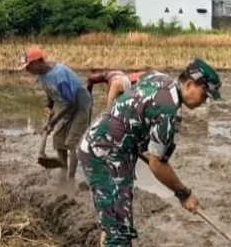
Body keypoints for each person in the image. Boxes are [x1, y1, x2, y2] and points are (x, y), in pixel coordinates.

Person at [77, 58, 221, 247]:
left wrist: (113, 118)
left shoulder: (157, 76)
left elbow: (119, 84)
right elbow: (157, 164)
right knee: (119, 235)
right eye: (205, 94)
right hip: (106, 156)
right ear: (189, 84)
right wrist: (184, 194)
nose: (205, 101)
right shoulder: (169, 112)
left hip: (100, 147)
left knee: (113, 224)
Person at [20, 46, 91, 183]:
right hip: (65, 105)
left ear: (38, 62)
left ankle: (70, 179)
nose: (27, 70)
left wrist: (52, 122)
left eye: (29, 66)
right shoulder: (41, 75)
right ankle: (63, 171)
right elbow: (51, 93)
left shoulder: (59, 75)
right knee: (58, 139)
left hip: (80, 105)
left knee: (72, 143)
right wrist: (48, 106)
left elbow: (70, 102)